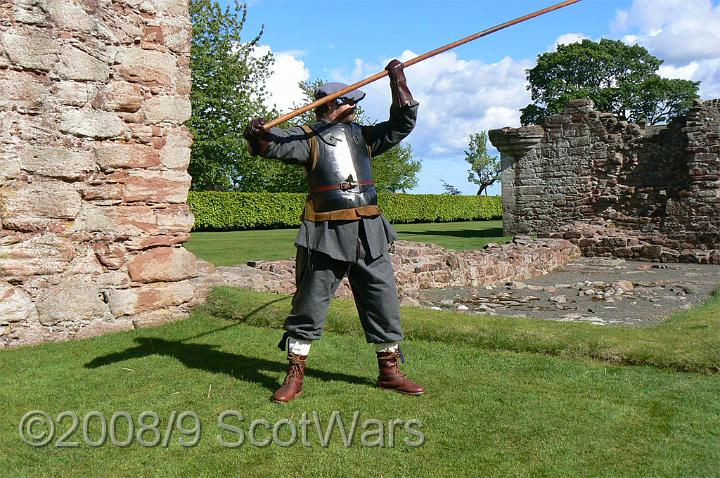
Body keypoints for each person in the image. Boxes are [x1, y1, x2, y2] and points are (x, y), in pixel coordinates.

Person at [243, 59, 426, 403]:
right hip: (324, 234)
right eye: (348, 101)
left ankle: (390, 372)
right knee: (309, 306)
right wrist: (256, 134)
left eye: (355, 101)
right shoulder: (306, 138)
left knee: (382, 301)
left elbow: (402, 123)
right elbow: (270, 145)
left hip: (369, 230)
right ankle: (294, 376)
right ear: (330, 105)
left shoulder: (365, 137)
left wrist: (397, 80)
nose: (355, 106)